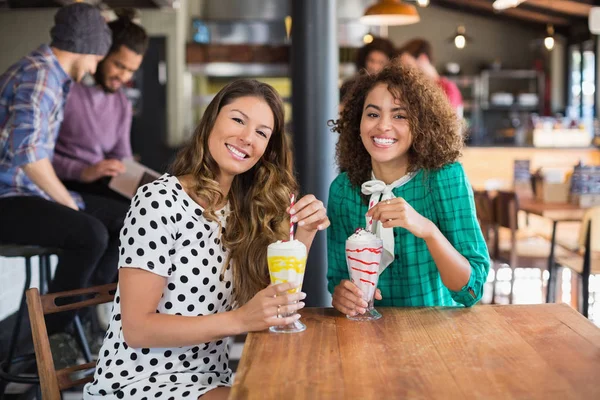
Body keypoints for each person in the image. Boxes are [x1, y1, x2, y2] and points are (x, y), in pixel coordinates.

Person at [84, 79, 330, 400]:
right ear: (211, 120)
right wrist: (239, 319)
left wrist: (305, 232)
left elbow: (271, 303)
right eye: (238, 120)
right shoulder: (158, 200)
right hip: (140, 383)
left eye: (261, 132)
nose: (246, 138)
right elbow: (137, 329)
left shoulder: (241, 212)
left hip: (210, 380)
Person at [327, 62, 489, 317]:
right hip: (368, 335)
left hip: (438, 335)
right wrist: (342, 295)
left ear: (420, 124)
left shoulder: (445, 178)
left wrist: (428, 230)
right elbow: (337, 278)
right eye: (372, 114)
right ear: (357, 123)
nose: (383, 126)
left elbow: (471, 291)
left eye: (399, 115)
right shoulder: (342, 190)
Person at [0, 3, 118, 334]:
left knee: (127, 219)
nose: (95, 68)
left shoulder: (52, 77)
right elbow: (28, 153)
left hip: (26, 193)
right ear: (85, 47)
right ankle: (53, 340)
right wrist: (66, 202)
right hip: (7, 198)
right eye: (97, 57)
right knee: (90, 233)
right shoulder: (40, 75)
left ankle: (84, 317)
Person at [53, 8, 149, 203]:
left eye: (131, 70)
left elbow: (123, 158)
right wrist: (83, 171)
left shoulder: (121, 103)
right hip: (63, 184)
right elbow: (36, 157)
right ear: (101, 53)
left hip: (99, 184)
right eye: (119, 66)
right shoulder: (64, 90)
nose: (124, 77)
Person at [399, 38, 464, 118]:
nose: (406, 72)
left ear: (423, 58)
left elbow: (449, 124)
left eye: (408, 66)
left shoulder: (448, 88)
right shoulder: (415, 89)